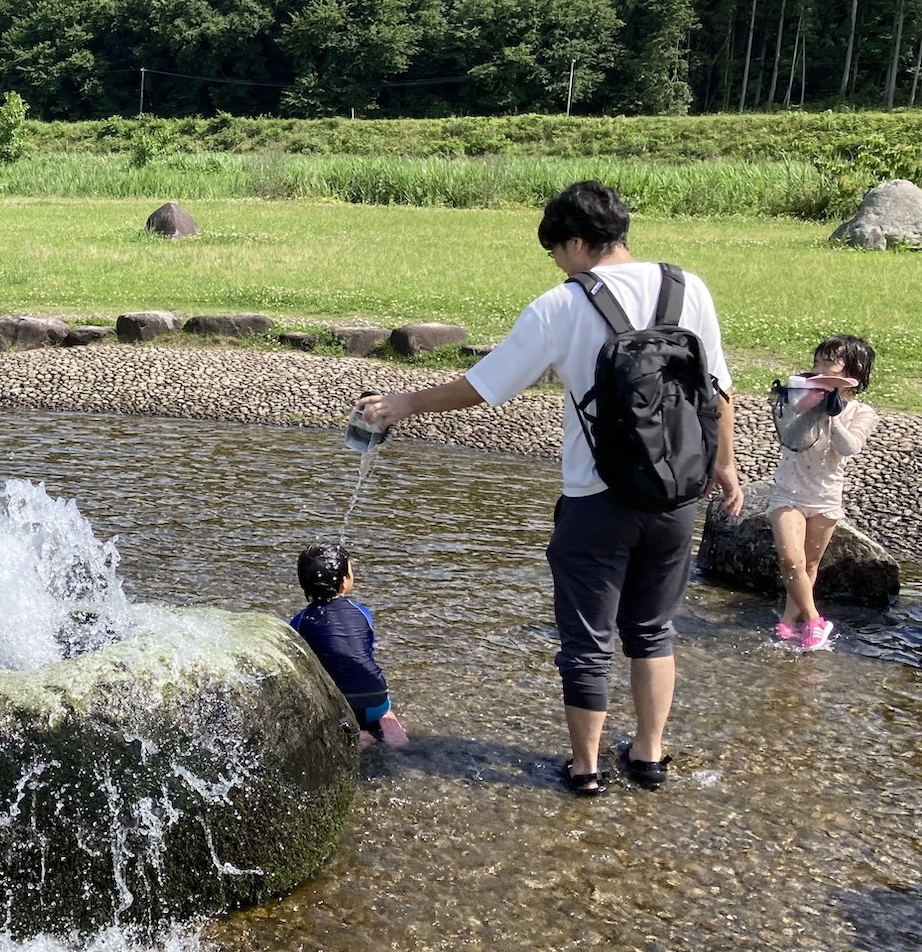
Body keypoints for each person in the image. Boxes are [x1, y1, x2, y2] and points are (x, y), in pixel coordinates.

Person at [361, 181, 742, 797]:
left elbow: (485, 387)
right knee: (652, 630)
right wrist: (724, 465)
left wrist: (404, 402)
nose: (558, 265)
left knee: (587, 639)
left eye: (556, 252)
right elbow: (717, 390)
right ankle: (648, 756)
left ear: (575, 241)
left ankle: (587, 768)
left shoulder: (561, 305)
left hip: (597, 498)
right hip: (676, 493)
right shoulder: (687, 287)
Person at [768, 335, 878, 651]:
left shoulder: (862, 412)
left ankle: (789, 623)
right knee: (791, 559)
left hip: (826, 496)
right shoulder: (799, 397)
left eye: (829, 363)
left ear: (852, 374)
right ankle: (816, 620)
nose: (819, 369)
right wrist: (813, 409)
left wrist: (833, 416)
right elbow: (790, 438)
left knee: (809, 565)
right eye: (817, 362)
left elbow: (849, 447)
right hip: (788, 490)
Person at [291, 543, 409, 749]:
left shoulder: (300, 621)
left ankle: (356, 736)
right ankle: (387, 729)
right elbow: (364, 652)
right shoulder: (363, 613)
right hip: (376, 697)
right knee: (376, 698)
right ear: (344, 582)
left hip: (341, 704)